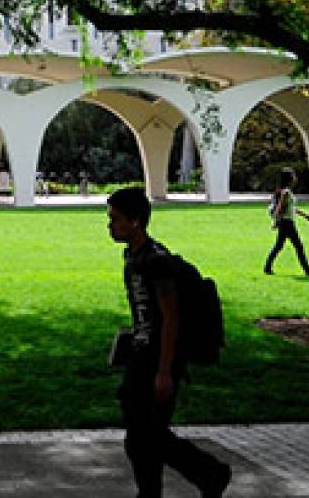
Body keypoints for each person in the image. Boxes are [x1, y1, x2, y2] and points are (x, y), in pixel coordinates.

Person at [106, 187, 232, 498]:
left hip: (159, 359)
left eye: (115, 219)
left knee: (147, 436)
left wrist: (164, 372)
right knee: (142, 437)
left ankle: (210, 473)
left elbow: (171, 318)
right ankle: (190, 480)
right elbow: (145, 310)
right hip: (141, 354)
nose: (109, 225)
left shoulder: (157, 261)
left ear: (135, 221)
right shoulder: (133, 255)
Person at [266, 171, 309, 276]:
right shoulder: (285, 192)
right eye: (293, 176)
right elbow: (280, 207)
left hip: (286, 222)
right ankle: (308, 270)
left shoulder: (287, 192)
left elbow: (291, 208)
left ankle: (267, 267)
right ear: (289, 179)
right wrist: (276, 221)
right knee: (298, 246)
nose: (295, 178)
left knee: (279, 246)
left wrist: (304, 215)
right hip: (287, 223)